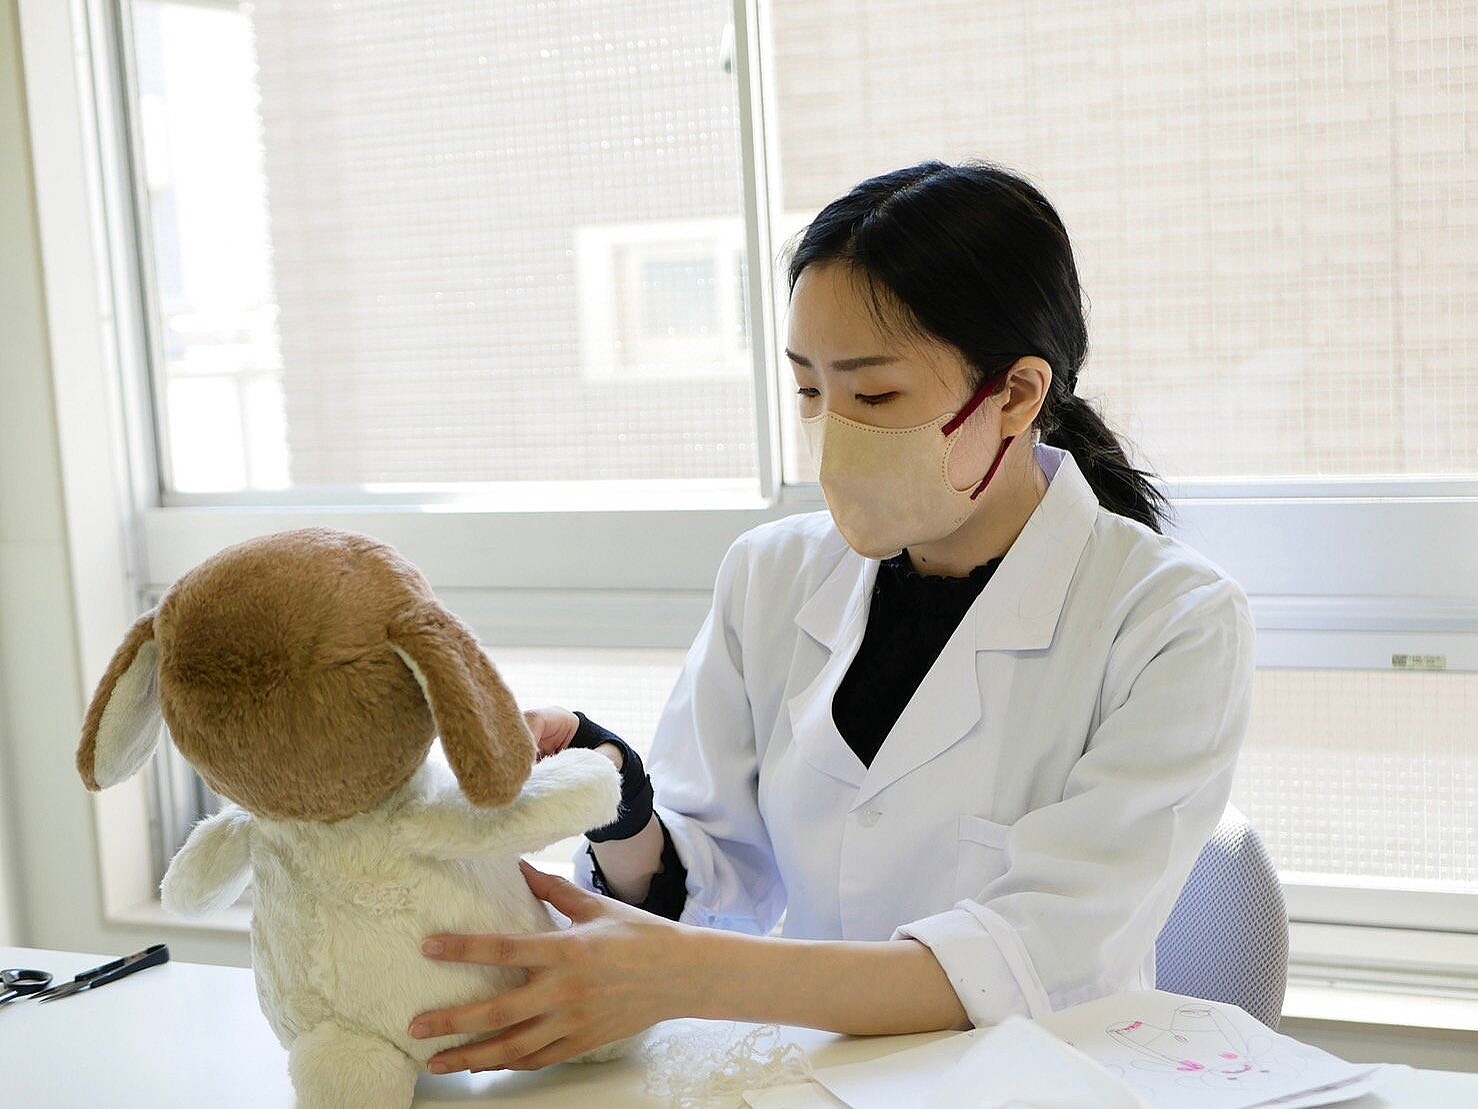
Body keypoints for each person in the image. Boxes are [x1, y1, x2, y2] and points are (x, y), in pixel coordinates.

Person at [406, 159, 1257, 1074]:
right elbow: (715, 876)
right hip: (817, 1075)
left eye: (874, 395)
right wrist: (620, 800)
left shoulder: (1172, 620)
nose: (832, 436)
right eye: (811, 391)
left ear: (1015, 394)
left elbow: (1030, 957)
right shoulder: (770, 575)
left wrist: (684, 973)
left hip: (1038, 1081)